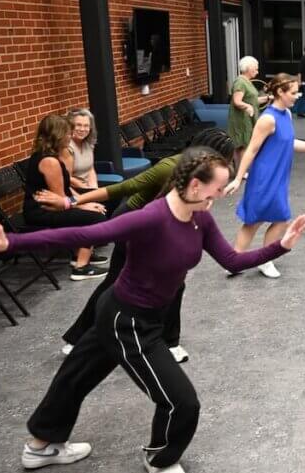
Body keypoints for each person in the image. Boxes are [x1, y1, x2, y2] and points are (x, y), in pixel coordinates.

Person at [0, 147, 305, 473]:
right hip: (127, 321)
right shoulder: (151, 217)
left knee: (74, 376)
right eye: (217, 188)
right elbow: (85, 236)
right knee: (181, 402)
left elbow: (232, 261)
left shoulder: (200, 218)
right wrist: (11, 241)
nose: (221, 195)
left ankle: (40, 445)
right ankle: (159, 458)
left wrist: (280, 245)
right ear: (195, 185)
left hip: (138, 314)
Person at [47, 129, 236, 362]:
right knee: (118, 283)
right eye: (224, 159)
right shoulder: (171, 167)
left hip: (162, 228)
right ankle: (81, 339)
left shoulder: (205, 177)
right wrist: (73, 200)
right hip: (135, 224)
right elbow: (124, 187)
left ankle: (165, 341)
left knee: (172, 284)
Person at [225, 75, 305, 278]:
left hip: (278, 176)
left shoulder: (286, 114)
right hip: (264, 177)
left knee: (279, 219)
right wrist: (238, 177)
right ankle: (241, 261)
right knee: (258, 220)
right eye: (293, 93)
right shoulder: (268, 119)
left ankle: (259, 260)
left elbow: (288, 143)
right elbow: (251, 150)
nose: (297, 97)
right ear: (280, 93)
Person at [22, 114, 107, 280]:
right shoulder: (49, 161)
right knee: (95, 219)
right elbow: (61, 200)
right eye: (67, 133)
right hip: (42, 211)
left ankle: (80, 254)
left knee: (96, 206)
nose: (71, 136)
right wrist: (85, 206)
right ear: (57, 135)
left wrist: (86, 201)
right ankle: (81, 267)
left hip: (53, 205)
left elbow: (66, 189)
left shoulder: (52, 155)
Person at [227, 56, 267, 167]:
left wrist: (268, 98)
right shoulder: (240, 83)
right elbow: (237, 101)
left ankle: (240, 169)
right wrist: (247, 107)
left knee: (243, 145)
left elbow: (253, 101)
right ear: (248, 68)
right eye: (256, 68)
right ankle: (241, 170)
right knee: (243, 145)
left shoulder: (246, 82)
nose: (257, 71)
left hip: (247, 118)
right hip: (241, 119)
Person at [64, 109, 99, 192]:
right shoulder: (66, 147)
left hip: (87, 187)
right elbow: (66, 178)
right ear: (70, 126)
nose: (82, 129)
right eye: (78, 125)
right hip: (72, 190)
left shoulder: (89, 144)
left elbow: (90, 169)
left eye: (86, 126)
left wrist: (94, 188)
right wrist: (87, 190)